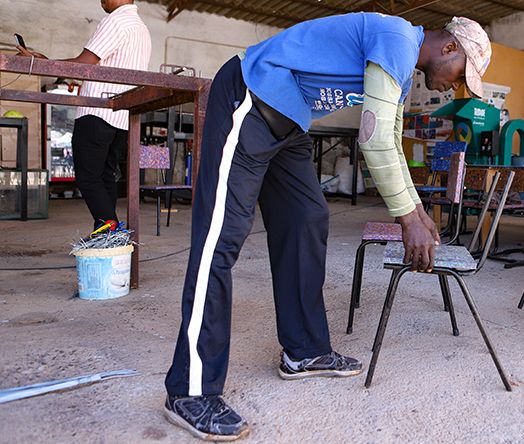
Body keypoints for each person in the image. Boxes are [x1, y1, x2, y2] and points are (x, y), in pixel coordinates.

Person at [162, 13, 491, 441]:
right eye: (462, 75)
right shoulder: (396, 38)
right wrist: (407, 218)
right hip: (251, 97)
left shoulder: (402, 66)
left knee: (307, 218)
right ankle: (189, 391)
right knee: (219, 241)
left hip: (289, 119)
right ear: (449, 48)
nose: (456, 87)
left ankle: (304, 351)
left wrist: (414, 209)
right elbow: (372, 140)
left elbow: (388, 137)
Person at [17, 0, 151, 230]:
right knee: (105, 176)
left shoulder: (116, 21)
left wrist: (44, 65)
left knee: (88, 177)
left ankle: (111, 230)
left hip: (97, 111)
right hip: (120, 117)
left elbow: (84, 65)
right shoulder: (141, 28)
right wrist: (48, 63)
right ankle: (105, 234)